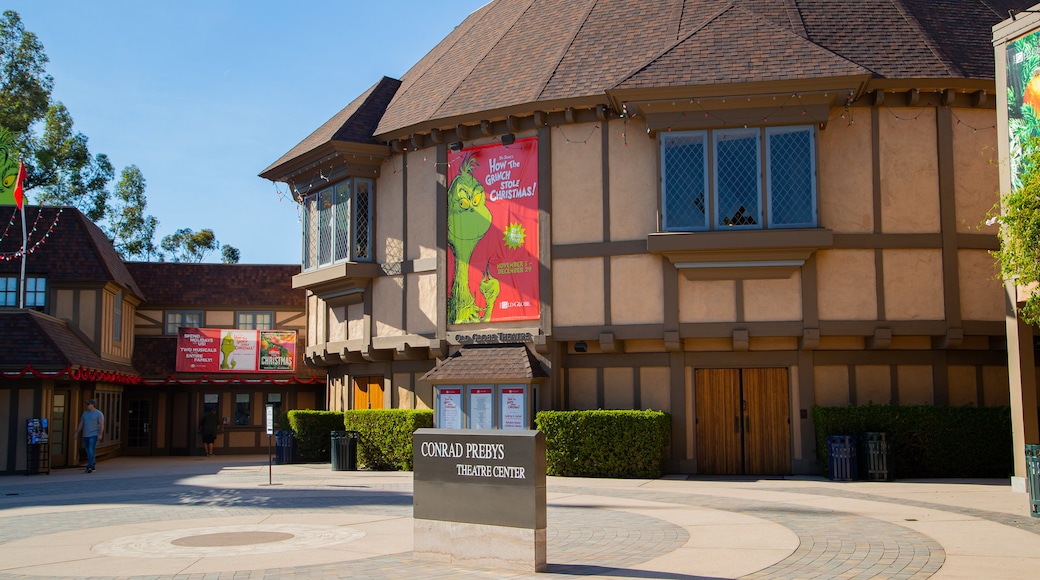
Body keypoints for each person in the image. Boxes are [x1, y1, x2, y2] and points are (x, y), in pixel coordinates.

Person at [73, 399, 104, 473]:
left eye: (88, 404)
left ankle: (89, 466)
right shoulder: (85, 414)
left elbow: (102, 425)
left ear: (93, 404)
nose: (87, 405)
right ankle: (92, 464)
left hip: (94, 434)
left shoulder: (98, 413)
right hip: (86, 435)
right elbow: (81, 424)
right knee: (88, 450)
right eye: (87, 404)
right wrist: (77, 432)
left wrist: (100, 434)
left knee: (91, 450)